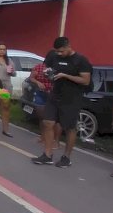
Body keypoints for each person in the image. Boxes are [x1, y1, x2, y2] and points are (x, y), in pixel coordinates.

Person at [32, 37, 92, 168]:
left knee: (70, 128)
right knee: (48, 122)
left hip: (71, 98)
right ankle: (47, 155)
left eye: (61, 51)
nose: (59, 54)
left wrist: (66, 76)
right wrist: (48, 73)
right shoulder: (54, 57)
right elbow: (47, 67)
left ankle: (66, 157)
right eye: (57, 51)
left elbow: (85, 80)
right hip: (55, 95)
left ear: (68, 46)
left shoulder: (81, 60)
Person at [29, 50, 56, 145]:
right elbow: (31, 78)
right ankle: (42, 136)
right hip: (40, 93)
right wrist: (38, 82)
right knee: (42, 117)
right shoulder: (39, 67)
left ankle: (52, 139)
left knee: (51, 118)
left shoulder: (57, 69)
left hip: (52, 94)